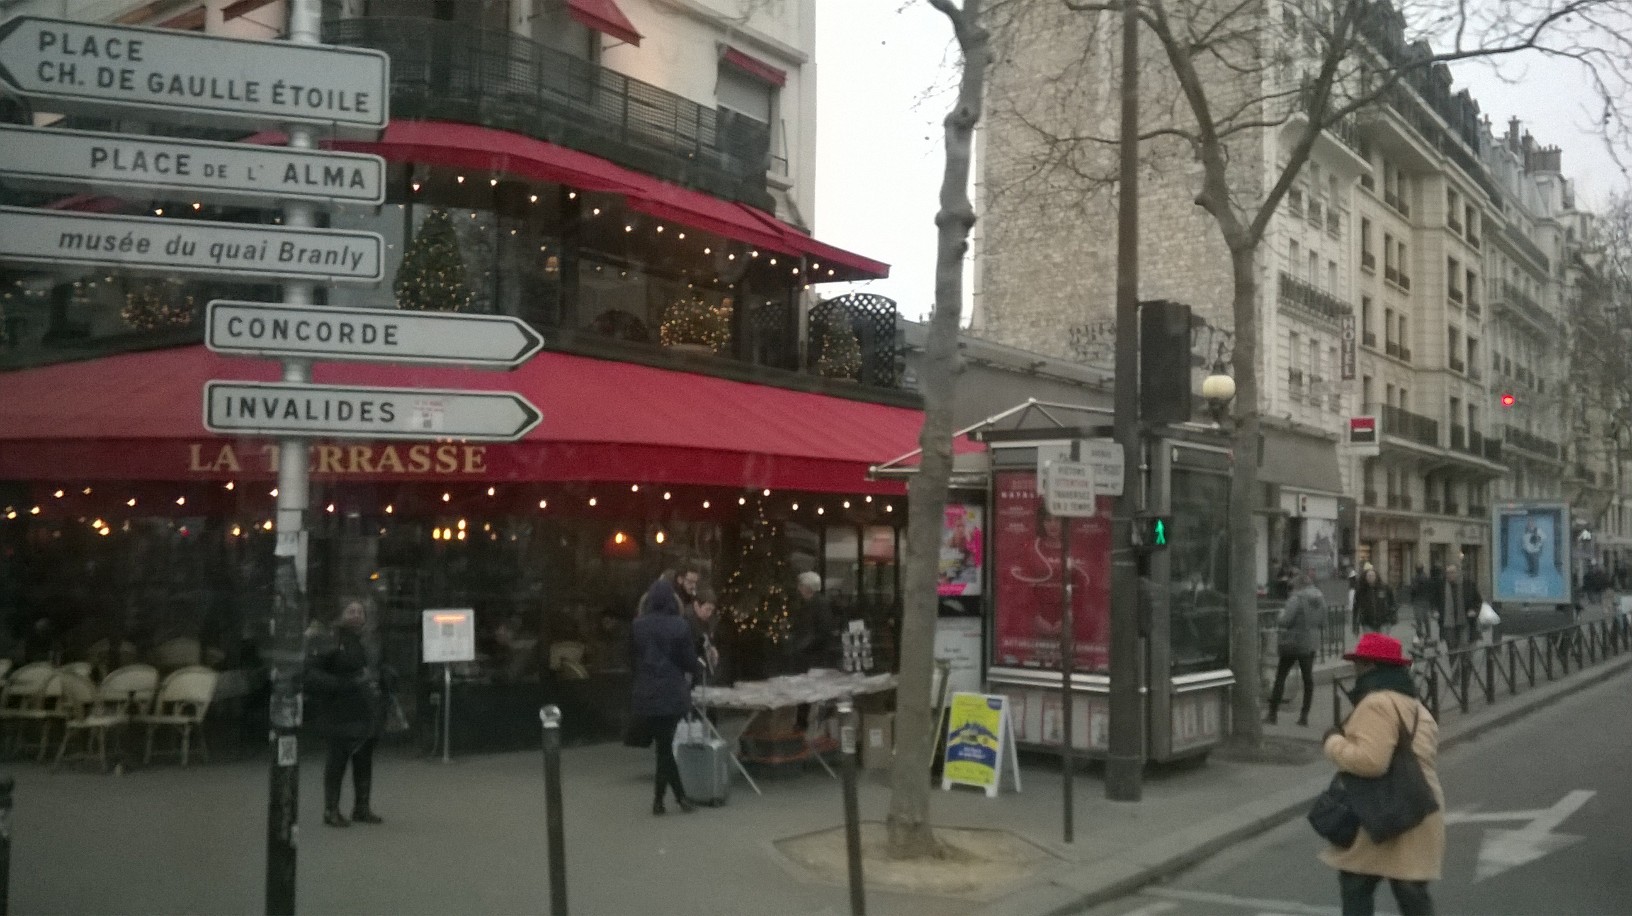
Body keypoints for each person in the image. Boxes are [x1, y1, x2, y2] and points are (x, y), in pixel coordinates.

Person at [1320, 632, 1444, 916]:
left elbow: (1371, 761)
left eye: (1359, 664)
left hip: (1383, 812)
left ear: (1371, 667)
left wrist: (1332, 742)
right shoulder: (1416, 707)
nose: (1355, 670)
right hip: (1420, 808)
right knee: (1412, 894)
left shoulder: (1377, 703)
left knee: (1355, 884)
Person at [306, 598, 387, 828]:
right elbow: (312, 674)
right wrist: (343, 685)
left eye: (360, 612)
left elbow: (376, 668)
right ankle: (331, 810)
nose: (356, 615)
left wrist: (385, 675)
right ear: (341, 614)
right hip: (341, 709)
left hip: (366, 709)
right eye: (351, 611)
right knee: (337, 761)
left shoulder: (369, 640)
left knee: (363, 759)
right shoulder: (331, 638)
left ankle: (361, 807)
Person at [630, 571, 702, 815]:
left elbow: (630, 658)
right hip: (672, 694)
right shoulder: (679, 626)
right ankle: (678, 799)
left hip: (647, 693)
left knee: (663, 747)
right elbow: (690, 662)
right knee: (664, 747)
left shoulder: (638, 626)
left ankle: (661, 801)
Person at [1266, 569, 1321, 726]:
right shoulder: (1319, 599)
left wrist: (1280, 615)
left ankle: (1272, 714)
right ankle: (1304, 716)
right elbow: (1323, 620)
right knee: (1308, 680)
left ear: (1296, 586)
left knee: (1281, 676)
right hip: (1311, 642)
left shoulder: (1296, 599)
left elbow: (1285, 621)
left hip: (1293, 642)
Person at [786, 571, 839, 673]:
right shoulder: (808, 604)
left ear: (808, 587)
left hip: (814, 656)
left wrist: (804, 646)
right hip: (808, 654)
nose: (799, 589)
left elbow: (823, 630)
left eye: (801, 585)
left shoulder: (819, 604)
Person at [1440, 564, 1482, 651]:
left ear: (1458, 573)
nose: (1449, 575)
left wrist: (1474, 611)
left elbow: (1478, 600)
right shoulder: (1442, 586)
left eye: (1452, 572)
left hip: (1464, 622)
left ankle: (1465, 664)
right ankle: (1454, 664)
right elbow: (1435, 601)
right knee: (1452, 649)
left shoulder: (1468, 585)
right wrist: (1435, 611)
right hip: (1448, 624)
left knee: (1464, 648)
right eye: (1447, 573)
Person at [1352, 564, 1395, 633]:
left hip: (1383, 621)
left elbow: (1392, 602)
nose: (1371, 577)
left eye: (1372, 576)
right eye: (1368, 576)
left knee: (1382, 642)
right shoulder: (1361, 590)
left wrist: (1392, 617)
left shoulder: (1384, 588)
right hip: (1367, 622)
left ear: (1376, 576)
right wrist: (1355, 625)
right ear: (1365, 577)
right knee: (1371, 642)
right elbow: (1356, 607)